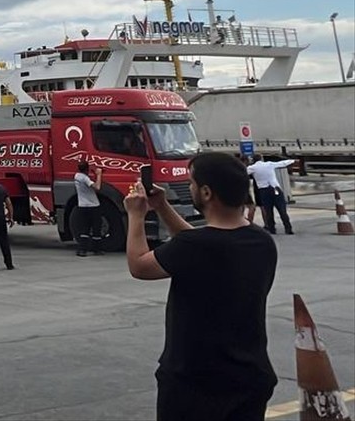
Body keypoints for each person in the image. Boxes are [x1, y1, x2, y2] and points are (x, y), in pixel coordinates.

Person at [123, 152, 278, 421]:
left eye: (192, 183)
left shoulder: (196, 246)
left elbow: (139, 265)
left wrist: (136, 215)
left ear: (206, 193)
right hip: (249, 377)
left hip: (195, 383)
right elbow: (197, 242)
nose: (190, 188)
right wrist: (162, 207)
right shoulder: (261, 241)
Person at [247, 155, 295, 234]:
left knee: (268, 211)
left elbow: (242, 171)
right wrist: (292, 160)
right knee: (282, 209)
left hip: (264, 190)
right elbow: (282, 163)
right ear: (261, 159)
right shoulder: (269, 164)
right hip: (275, 188)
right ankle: (288, 228)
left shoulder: (252, 168)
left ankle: (272, 229)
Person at [73, 161, 104, 256]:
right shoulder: (85, 178)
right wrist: (99, 175)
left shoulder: (77, 176)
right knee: (96, 229)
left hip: (82, 206)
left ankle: (82, 250)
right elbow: (97, 187)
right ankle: (96, 249)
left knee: (84, 229)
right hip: (93, 206)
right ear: (86, 169)